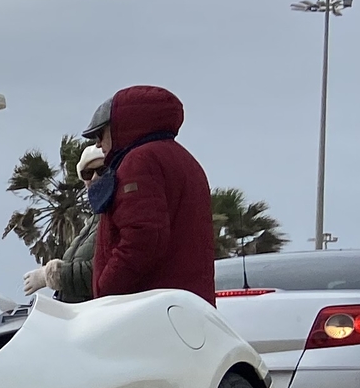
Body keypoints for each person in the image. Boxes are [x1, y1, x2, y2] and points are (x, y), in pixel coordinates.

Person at [85, 84, 214, 302]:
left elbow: (144, 237)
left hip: (147, 310)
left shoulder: (139, 162)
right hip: (184, 307)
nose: (98, 144)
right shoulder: (184, 159)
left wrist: (106, 289)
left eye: (101, 133)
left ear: (120, 127)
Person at [20, 140, 113, 302]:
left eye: (102, 170)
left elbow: (100, 272)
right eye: (87, 173)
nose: (95, 177)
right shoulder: (94, 221)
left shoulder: (114, 216)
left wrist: (50, 275)